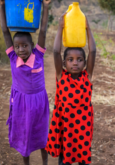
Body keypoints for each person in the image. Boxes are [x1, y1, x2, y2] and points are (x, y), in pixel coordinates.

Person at [0, 0, 51, 164]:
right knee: (24, 135)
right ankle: (26, 163)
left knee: (42, 134)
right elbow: (5, 32)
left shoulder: (39, 56)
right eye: (17, 46)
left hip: (39, 102)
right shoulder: (13, 58)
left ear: (32, 46)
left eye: (25, 46)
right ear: (13, 48)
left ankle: (45, 162)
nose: (21, 49)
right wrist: (1, 5)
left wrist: (46, 6)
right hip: (21, 104)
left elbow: (42, 30)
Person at [45, 12, 96, 165]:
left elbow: (93, 51)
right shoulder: (62, 76)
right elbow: (55, 51)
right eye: (70, 60)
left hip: (83, 123)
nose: (75, 63)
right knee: (64, 157)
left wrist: (88, 28)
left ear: (85, 63)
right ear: (64, 62)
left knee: (83, 154)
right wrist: (60, 28)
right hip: (65, 123)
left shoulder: (87, 77)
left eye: (80, 60)